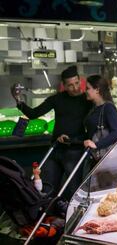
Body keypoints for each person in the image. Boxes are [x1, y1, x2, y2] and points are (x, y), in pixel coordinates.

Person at [11, 65, 93, 199]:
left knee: (74, 189)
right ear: (64, 86)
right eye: (70, 85)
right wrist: (18, 100)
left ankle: (73, 217)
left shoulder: (87, 99)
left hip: (75, 150)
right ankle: (50, 215)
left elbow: (101, 110)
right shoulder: (57, 99)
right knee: (49, 187)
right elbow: (33, 114)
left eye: (77, 83)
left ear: (80, 81)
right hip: (55, 148)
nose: (75, 88)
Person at [83, 75, 117, 165]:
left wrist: (97, 144)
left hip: (105, 158)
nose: (85, 91)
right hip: (95, 156)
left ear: (97, 90)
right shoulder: (94, 108)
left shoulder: (108, 108)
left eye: (88, 88)